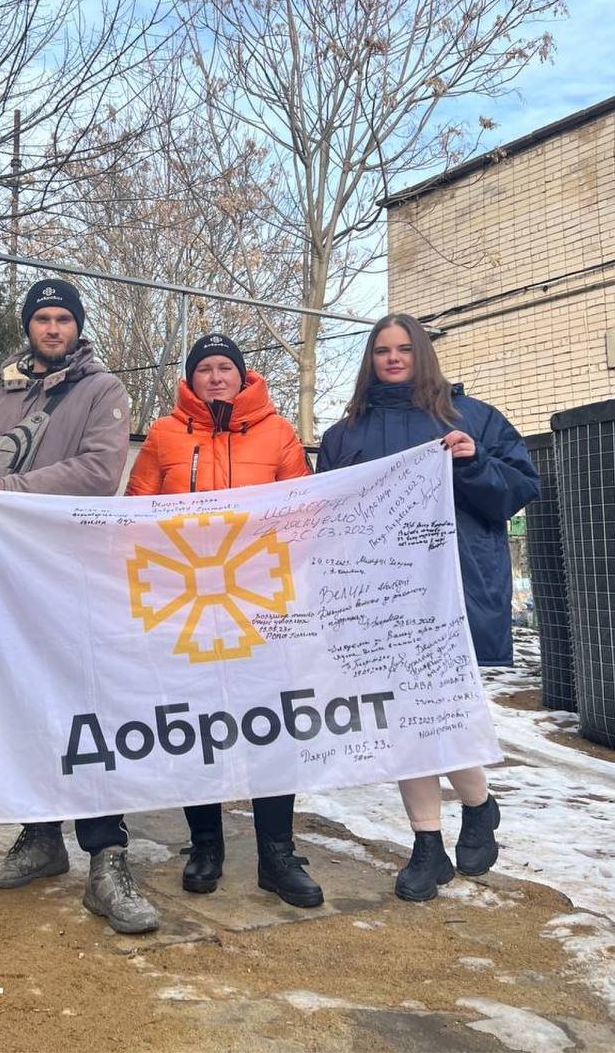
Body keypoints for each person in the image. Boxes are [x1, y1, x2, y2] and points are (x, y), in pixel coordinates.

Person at [0, 277, 159, 935]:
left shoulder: (102, 391)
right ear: (28, 327)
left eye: (62, 318)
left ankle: (107, 858)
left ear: (77, 326)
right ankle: (40, 840)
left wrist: (8, 485)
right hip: (9, 583)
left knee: (87, 712)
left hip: (75, 576)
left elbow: (100, 474)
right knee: (24, 711)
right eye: (41, 317)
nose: (51, 327)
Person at [317, 312, 539, 901]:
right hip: (379, 600)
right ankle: (428, 844)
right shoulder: (345, 435)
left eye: (403, 349)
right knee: (399, 720)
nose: (392, 358)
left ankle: (477, 804)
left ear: (421, 355)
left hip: (452, 595)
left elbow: (514, 496)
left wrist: (472, 462)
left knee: (442, 712)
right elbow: (329, 522)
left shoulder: (475, 419)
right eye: (382, 350)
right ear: (370, 360)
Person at [126, 332, 324, 909]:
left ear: (242, 377)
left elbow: (304, 512)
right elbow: (136, 515)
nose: (216, 377)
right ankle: (204, 845)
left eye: (225, 368)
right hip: (186, 607)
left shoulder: (279, 433)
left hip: (259, 605)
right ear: (191, 378)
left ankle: (277, 855)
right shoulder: (163, 435)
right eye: (205, 369)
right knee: (197, 725)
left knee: (271, 726)